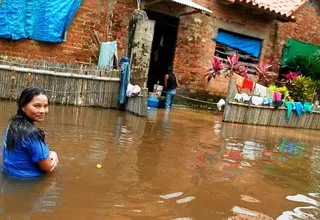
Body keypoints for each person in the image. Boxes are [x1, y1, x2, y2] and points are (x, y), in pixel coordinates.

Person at [2, 87, 58, 178]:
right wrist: (53, 154)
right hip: (29, 181)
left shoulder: (13, 124)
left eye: (45, 106)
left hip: (10, 175)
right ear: (23, 107)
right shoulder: (31, 134)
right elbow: (48, 167)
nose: (42, 111)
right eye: (37, 106)